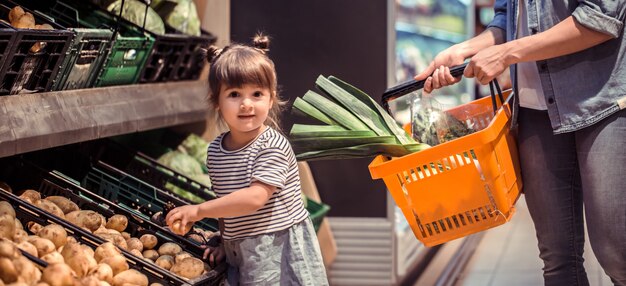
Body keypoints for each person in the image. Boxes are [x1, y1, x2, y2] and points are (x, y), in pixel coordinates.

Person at [414, 1, 626, 285]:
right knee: (557, 260)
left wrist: (507, 53)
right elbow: (508, 17)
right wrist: (464, 50)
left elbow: (600, 17)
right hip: (534, 108)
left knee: (617, 254)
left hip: (601, 101)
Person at [165, 34, 328, 286]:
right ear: (216, 101)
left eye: (257, 94)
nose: (246, 104)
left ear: (271, 98)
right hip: (243, 249)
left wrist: (198, 210)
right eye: (234, 94)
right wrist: (224, 241)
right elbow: (226, 201)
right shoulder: (216, 150)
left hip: (278, 250)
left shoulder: (272, 145)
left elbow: (255, 198)